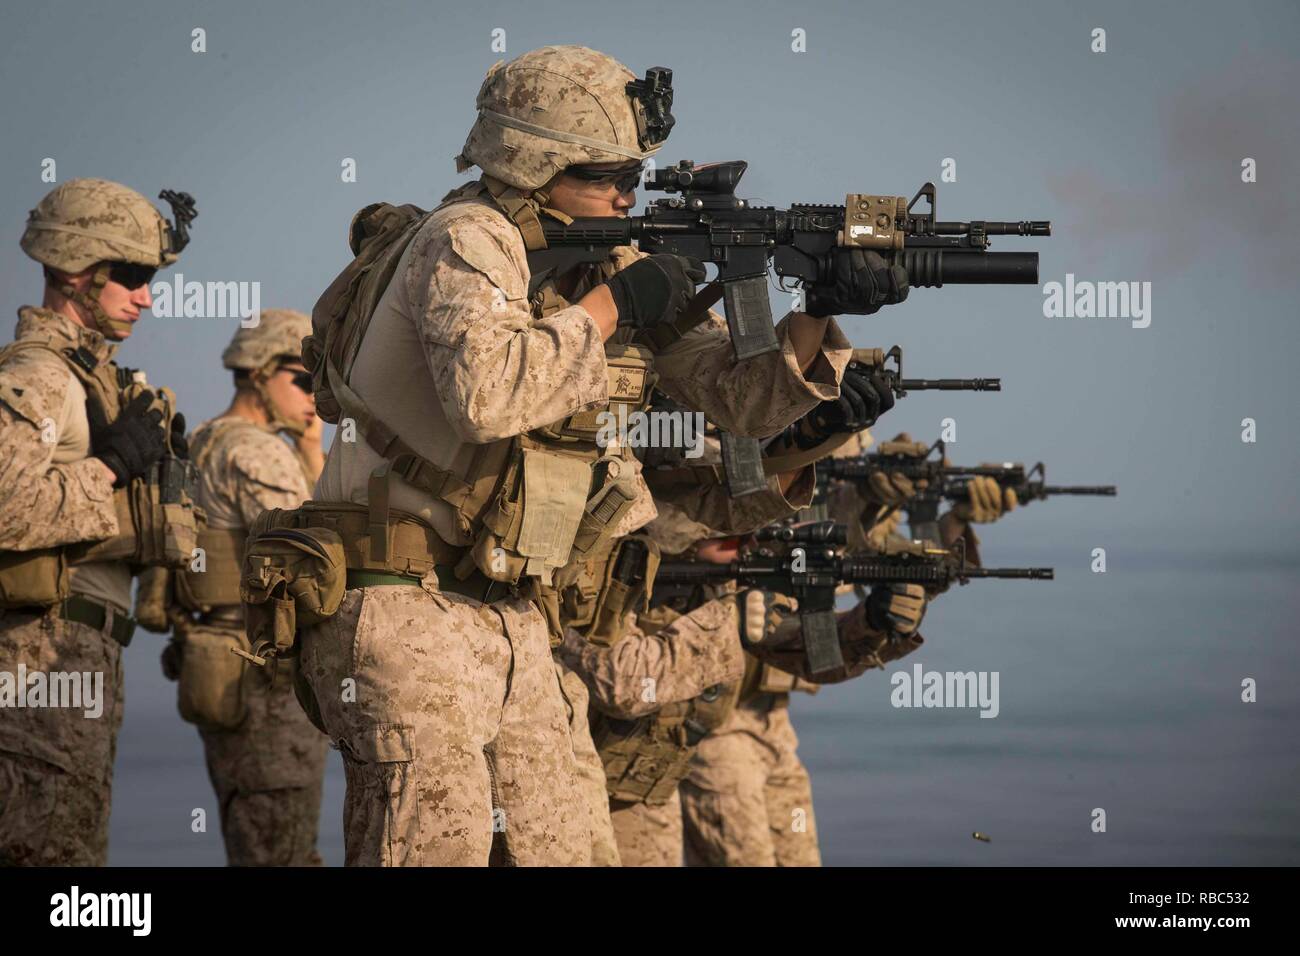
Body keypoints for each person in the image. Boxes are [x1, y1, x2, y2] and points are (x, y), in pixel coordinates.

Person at [281, 44, 898, 866]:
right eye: (605, 175)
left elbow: (740, 401)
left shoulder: (598, 262)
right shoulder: (466, 239)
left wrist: (817, 309)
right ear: (533, 164)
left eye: (633, 178)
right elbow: (489, 397)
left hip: (516, 613)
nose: (625, 196)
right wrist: (615, 304)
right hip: (401, 605)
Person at [0, 178, 192, 865]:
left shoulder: (93, 380)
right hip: (36, 662)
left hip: (77, 661)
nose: (145, 296)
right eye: (133, 276)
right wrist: (109, 469)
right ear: (76, 270)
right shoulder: (41, 374)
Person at [163, 309, 329, 866]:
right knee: (281, 850)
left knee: (256, 843)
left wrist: (307, 447)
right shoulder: (255, 450)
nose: (314, 393)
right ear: (259, 372)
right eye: (302, 378)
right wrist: (311, 456)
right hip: (263, 676)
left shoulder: (208, 441)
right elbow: (314, 556)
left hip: (221, 666)